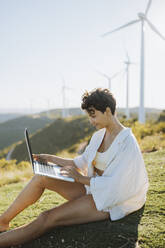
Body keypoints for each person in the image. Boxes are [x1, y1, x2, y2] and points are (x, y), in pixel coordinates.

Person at [0, 88, 149, 247]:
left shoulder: (128, 143)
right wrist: (51, 159)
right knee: (41, 177)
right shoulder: (99, 136)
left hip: (109, 202)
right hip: (93, 190)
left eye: (93, 115)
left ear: (107, 111)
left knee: (47, 217)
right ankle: (3, 221)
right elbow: (80, 162)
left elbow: (116, 188)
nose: (91, 121)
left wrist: (79, 178)